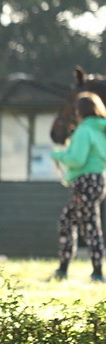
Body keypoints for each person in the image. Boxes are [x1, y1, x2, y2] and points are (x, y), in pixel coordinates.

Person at [51, 92, 106, 283]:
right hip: (98, 180)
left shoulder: (84, 130)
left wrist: (58, 155)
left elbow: (77, 159)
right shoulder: (100, 131)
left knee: (90, 226)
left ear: (80, 111)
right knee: (69, 221)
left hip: (84, 183)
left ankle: (97, 272)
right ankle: (64, 268)